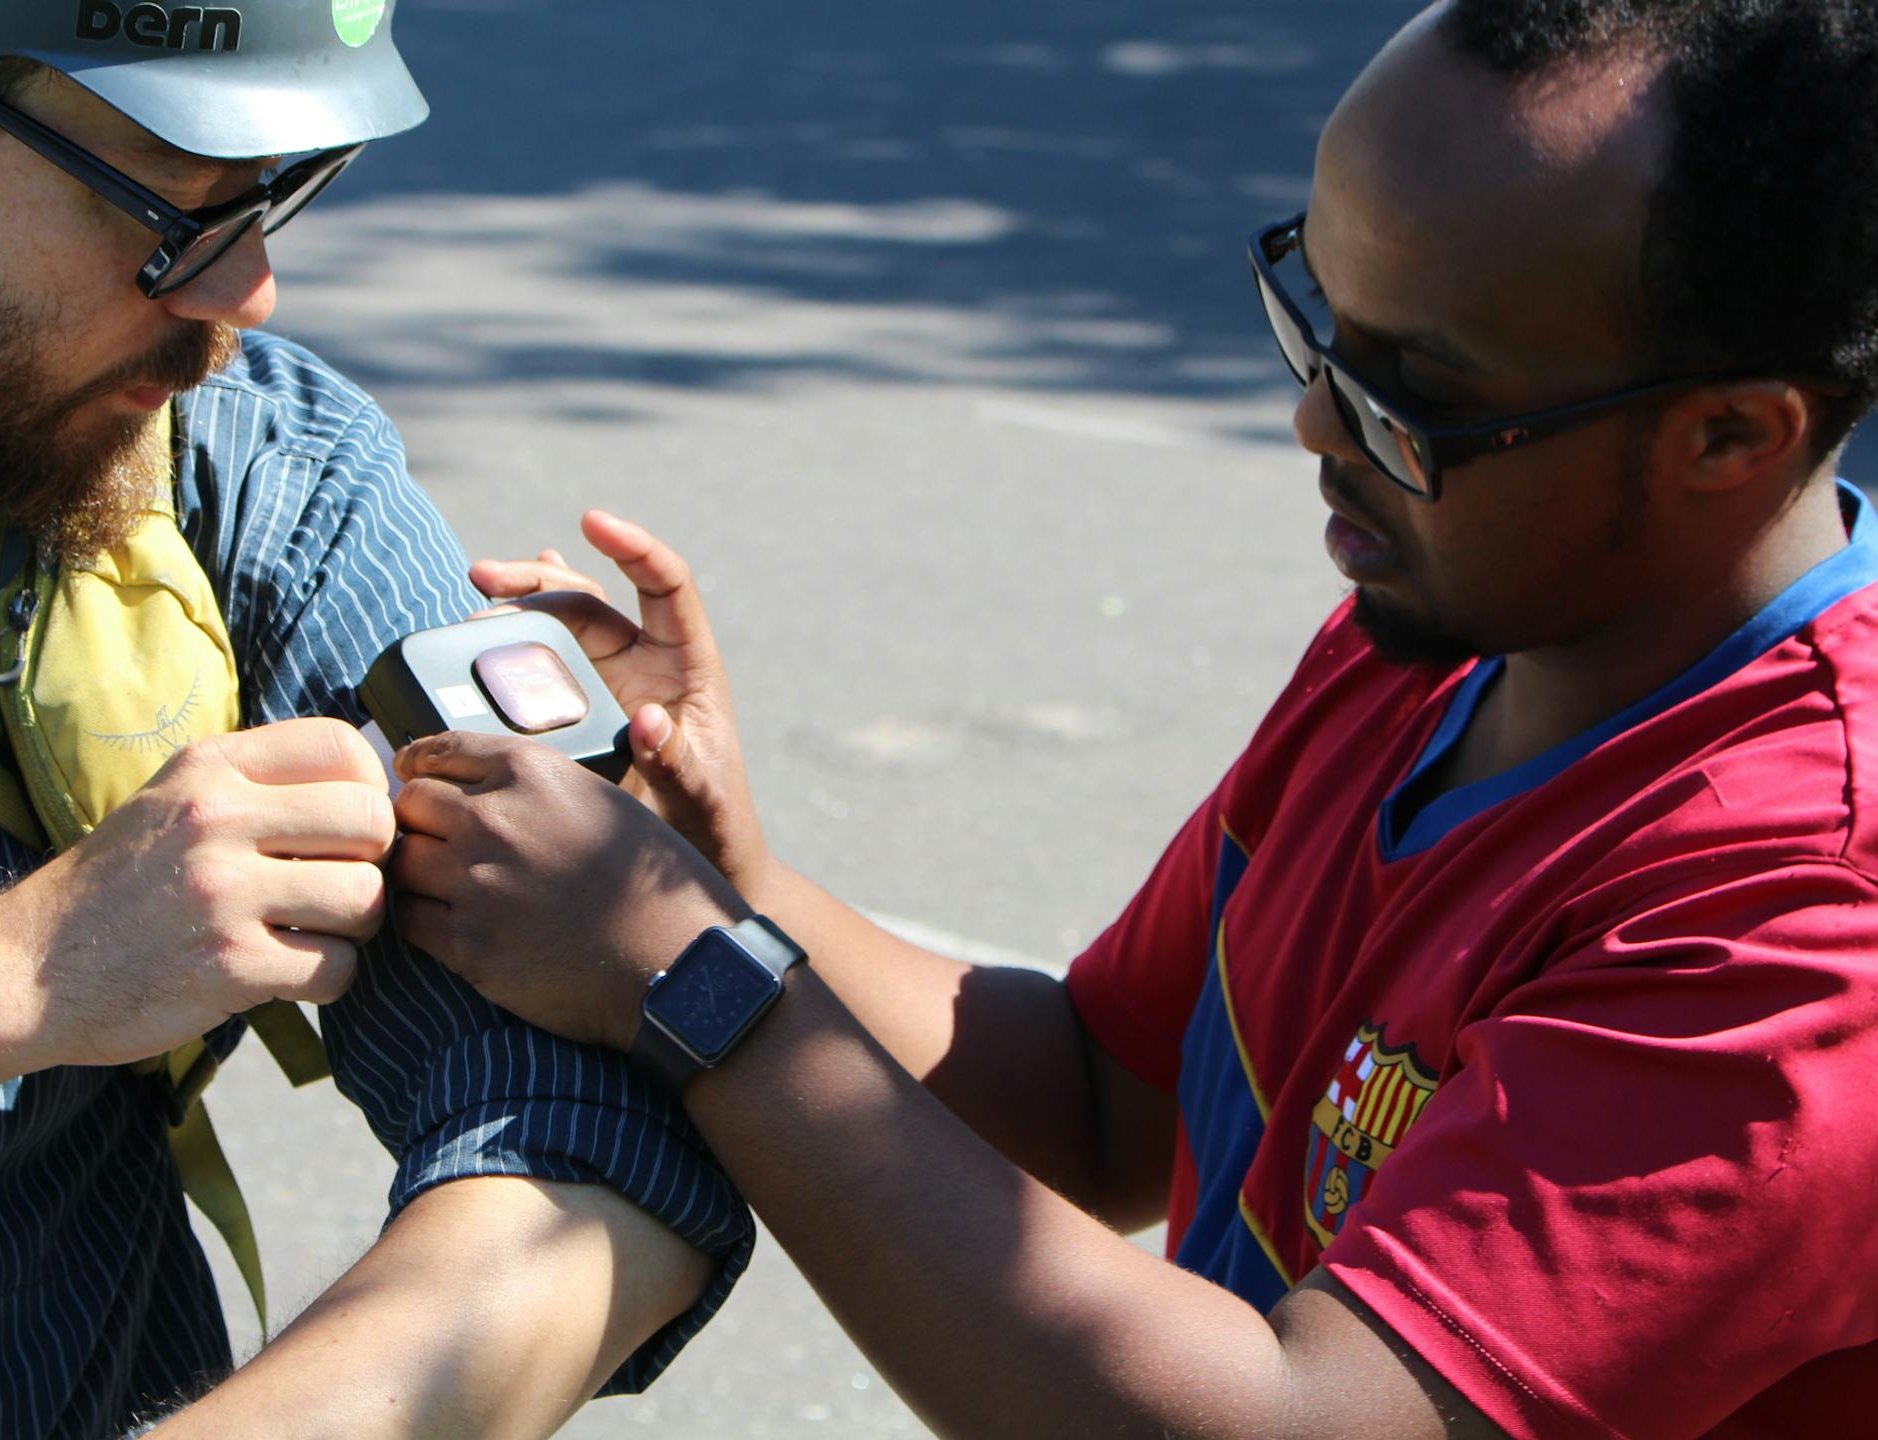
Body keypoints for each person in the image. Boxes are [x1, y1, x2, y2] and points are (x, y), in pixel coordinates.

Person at [386, 0, 1878, 1435]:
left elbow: (1298, 1425)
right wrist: (710, 880)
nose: (1312, 421)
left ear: (1733, 435)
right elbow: (1104, 1097)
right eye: (1319, 318)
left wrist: (691, 980)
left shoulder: (1804, 920)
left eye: (1412, 393)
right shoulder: (1456, 628)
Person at [0, 2, 751, 1436]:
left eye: (281, 189)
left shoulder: (251, 472)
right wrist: (28, 971)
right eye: (171, 201)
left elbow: (591, 1144)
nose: (248, 292)